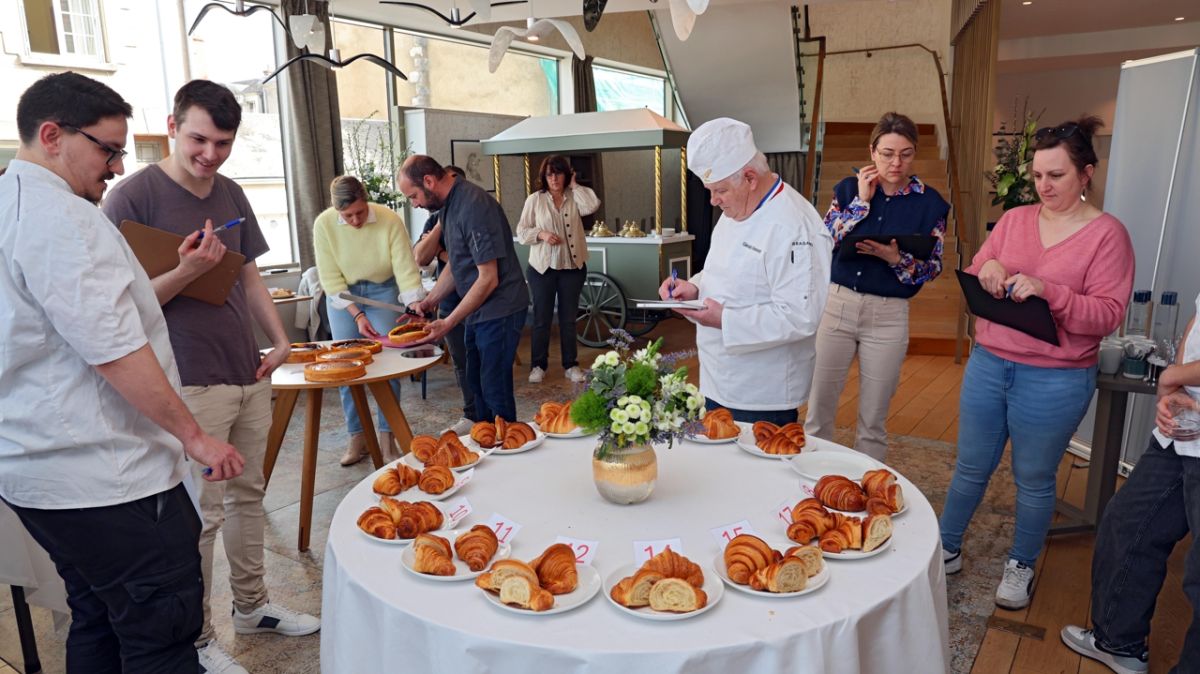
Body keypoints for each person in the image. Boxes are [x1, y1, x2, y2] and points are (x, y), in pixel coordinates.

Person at [0, 72, 245, 672]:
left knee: (99, 616)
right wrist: (194, 435)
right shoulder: (64, 218)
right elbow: (112, 347)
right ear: (52, 135)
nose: (114, 166)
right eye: (107, 149)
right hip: (106, 476)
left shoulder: (11, 199)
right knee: (160, 630)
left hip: (42, 468)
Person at [102, 79, 319, 674]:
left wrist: (279, 340)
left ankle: (253, 607)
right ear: (172, 126)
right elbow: (115, 306)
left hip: (246, 368)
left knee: (249, 499)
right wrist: (184, 270)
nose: (211, 154)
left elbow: (248, 275)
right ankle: (196, 639)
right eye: (199, 139)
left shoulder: (230, 192)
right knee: (202, 516)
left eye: (223, 142)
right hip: (186, 380)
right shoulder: (130, 198)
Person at [939, 116, 1134, 610]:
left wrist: (1053, 293)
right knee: (970, 467)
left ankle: (1021, 563)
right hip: (989, 362)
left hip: (1056, 378)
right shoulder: (1014, 220)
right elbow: (978, 266)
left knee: (1034, 477)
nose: (1043, 186)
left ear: (1086, 173)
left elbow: (1108, 315)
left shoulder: (1108, 235)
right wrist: (991, 266)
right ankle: (945, 548)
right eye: (1038, 175)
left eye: (1057, 176)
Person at [657, 117, 833, 424]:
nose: (713, 201)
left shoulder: (793, 225)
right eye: (709, 190)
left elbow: (800, 316)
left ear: (750, 177)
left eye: (719, 190)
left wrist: (725, 318)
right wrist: (696, 287)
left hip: (762, 390)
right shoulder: (736, 207)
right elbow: (726, 270)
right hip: (717, 376)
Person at [1061, 306, 1200, 674]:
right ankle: (1117, 643)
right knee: (1129, 524)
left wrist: (1175, 374)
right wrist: (1179, 384)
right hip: (1185, 428)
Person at [804, 112, 950, 461]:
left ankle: (867, 496)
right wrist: (861, 203)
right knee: (818, 412)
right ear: (872, 151)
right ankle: (809, 485)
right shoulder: (846, 189)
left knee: (873, 421)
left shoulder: (931, 204)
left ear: (915, 154)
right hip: (837, 306)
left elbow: (932, 268)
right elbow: (824, 241)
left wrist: (894, 259)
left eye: (905, 154)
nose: (896, 163)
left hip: (888, 315)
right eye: (887, 153)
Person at [399, 155, 528, 422]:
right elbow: (458, 266)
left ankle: (506, 449)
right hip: (479, 311)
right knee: (476, 384)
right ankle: (484, 445)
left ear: (429, 181)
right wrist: (429, 301)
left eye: (413, 196)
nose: (415, 204)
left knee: (494, 390)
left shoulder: (474, 206)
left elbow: (488, 278)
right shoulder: (447, 207)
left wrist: (448, 322)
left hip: (500, 308)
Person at [314, 175, 426, 464]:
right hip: (343, 297)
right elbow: (330, 278)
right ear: (336, 211)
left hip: (382, 289)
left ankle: (388, 437)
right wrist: (358, 315)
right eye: (347, 215)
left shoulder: (389, 220)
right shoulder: (324, 224)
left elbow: (404, 267)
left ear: (367, 201)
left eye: (360, 212)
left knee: (388, 363)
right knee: (345, 366)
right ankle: (357, 437)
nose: (354, 220)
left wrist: (414, 303)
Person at [516, 154, 600, 384]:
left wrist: (575, 185)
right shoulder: (535, 200)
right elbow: (522, 231)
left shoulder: (575, 197)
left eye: (558, 173)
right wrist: (541, 234)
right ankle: (538, 365)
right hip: (542, 268)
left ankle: (571, 365)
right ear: (544, 176)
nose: (554, 178)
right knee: (542, 318)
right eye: (549, 174)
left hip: (572, 267)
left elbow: (592, 205)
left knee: (568, 319)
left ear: (566, 175)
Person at [413, 164, 477, 436]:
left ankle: (489, 415)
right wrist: (440, 225)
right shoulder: (434, 219)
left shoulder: (474, 213)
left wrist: (446, 255)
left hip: (479, 297)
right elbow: (420, 256)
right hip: (449, 298)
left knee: (483, 359)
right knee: (461, 362)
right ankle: (471, 414)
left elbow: (474, 260)